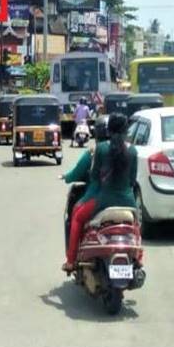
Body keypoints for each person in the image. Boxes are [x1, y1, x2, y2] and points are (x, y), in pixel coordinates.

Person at [63, 113, 138, 273]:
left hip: (103, 201)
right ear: (126, 130)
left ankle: (70, 260)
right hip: (128, 201)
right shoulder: (133, 150)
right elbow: (132, 180)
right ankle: (139, 257)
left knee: (77, 218)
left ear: (108, 130)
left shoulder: (101, 149)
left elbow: (95, 176)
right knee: (136, 225)